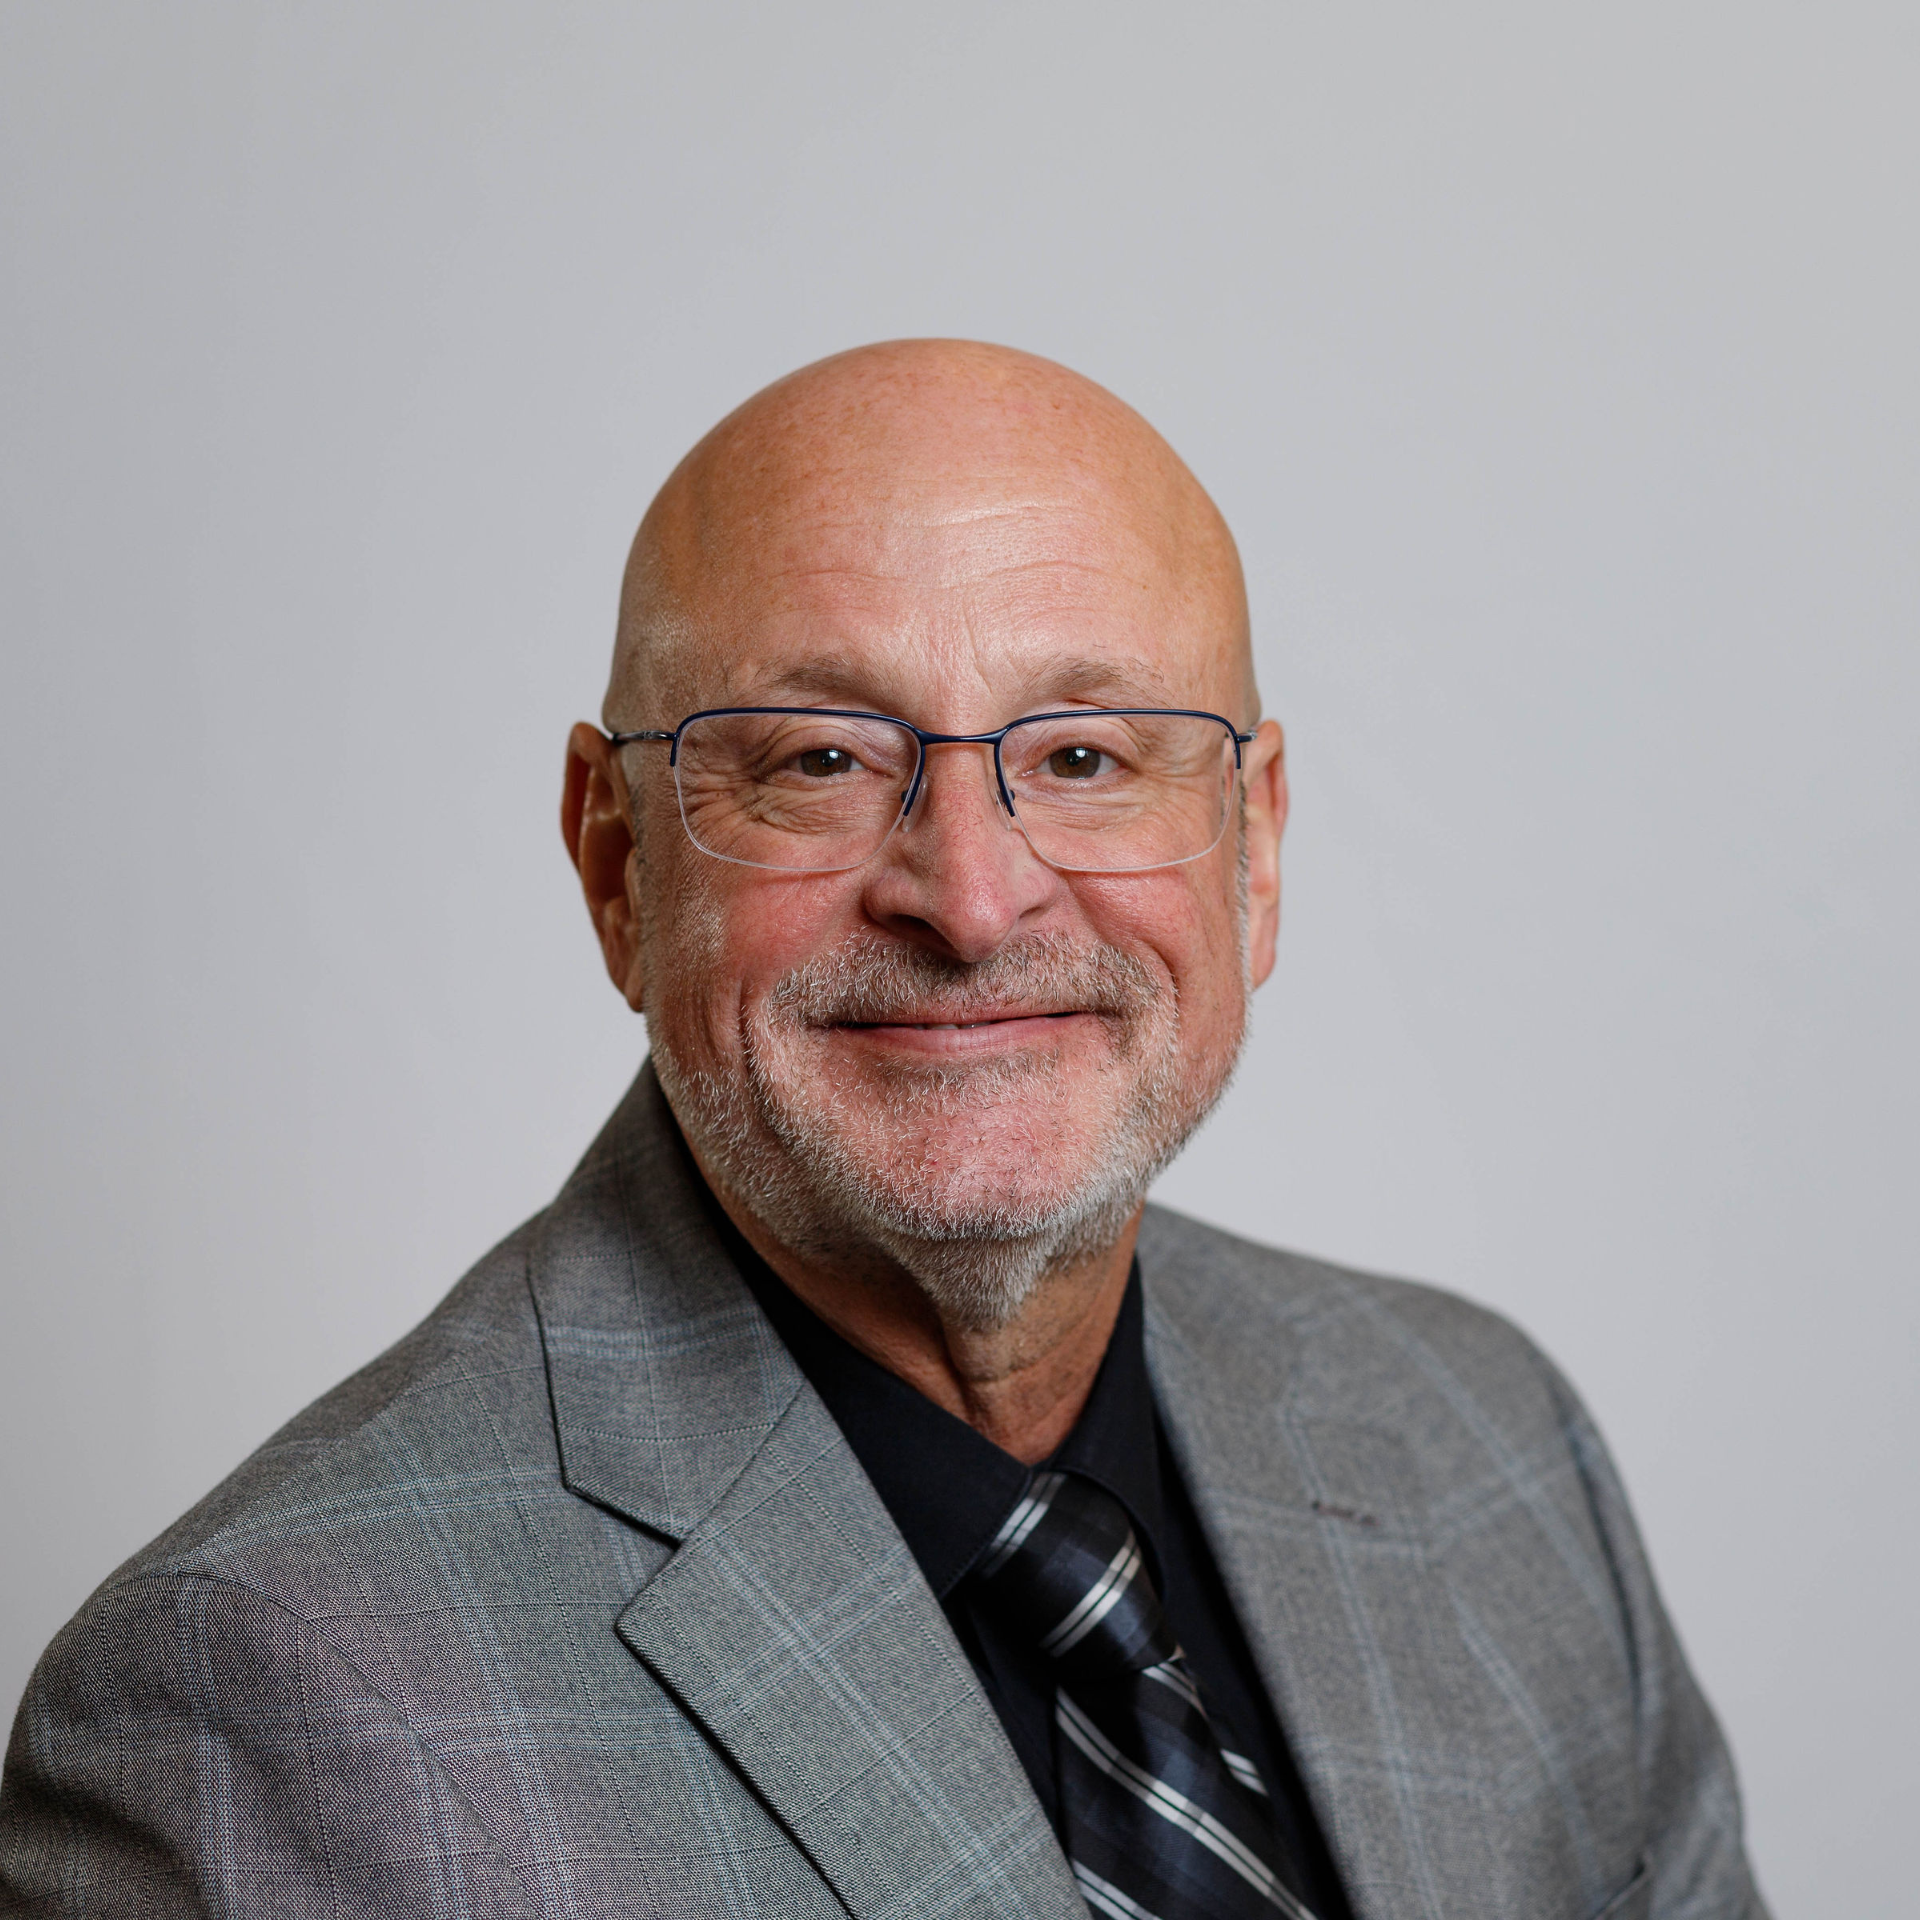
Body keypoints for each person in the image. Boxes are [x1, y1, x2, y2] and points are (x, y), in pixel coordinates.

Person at [0, 341, 1767, 1919]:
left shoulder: (1489, 1443)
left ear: (1257, 849)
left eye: (1085, 756)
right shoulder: (262, 1710)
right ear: (620, 867)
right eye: (821, 761)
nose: (976, 900)